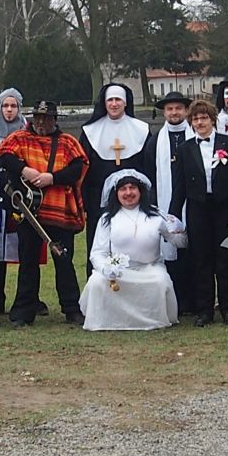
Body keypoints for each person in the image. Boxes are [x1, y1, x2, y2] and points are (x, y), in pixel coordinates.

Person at [0, 100, 89, 327]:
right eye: (37, 117)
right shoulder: (20, 138)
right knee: (28, 261)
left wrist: (52, 178)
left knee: (63, 260)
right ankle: (23, 312)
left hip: (59, 210)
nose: (41, 122)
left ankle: (72, 308)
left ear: (55, 120)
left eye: (46, 118)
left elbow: (78, 168)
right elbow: (2, 156)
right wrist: (24, 169)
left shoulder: (68, 142)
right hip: (30, 211)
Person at [168, 100, 228, 326]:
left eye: (204, 118)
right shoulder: (185, 149)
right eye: (195, 119)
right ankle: (204, 310)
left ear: (213, 120)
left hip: (224, 207)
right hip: (198, 208)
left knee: (225, 260)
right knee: (201, 260)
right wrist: (174, 215)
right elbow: (179, 185)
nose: (200, 122)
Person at [79, 169, 182, 330]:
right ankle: (107, 320)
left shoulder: (156, 215)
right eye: (123, 189)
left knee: (160, 281)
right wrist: (106, 269)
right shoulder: (107, 219)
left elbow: (180, 242)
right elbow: (97, 253)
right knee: (96, 282)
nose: (128, 193)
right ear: (116, 193)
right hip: (119, 272)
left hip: (149, 269)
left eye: (132, 188)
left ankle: (153, 320)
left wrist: (179, 229)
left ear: (140, 191)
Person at [79, 83, 154, 277]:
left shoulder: (141, 130)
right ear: (104, 103)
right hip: (98, 201)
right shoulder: (90, 132)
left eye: (118, 100)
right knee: (99, 245)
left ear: (125, 102)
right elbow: (83, 171)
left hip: (134, 198)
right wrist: (85, 203)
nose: (114, 104)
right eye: (110, 100)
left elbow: (148, 167)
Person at [0, 87, 27, 315]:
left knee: (25, 249)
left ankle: (27, 299)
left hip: (22, 198)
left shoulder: (27, 133)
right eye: (5, 106)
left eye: (13, 106)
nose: (9, 110)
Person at [152, 91, 195, 313]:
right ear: (164, 112)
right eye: (170, 109)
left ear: (186, 111)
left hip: (194, 204)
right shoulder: (155, 141)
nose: (174, 112)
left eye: (178, 108)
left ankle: (195, 301)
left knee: (194, 253)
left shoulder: (196, 137)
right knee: (171, 253)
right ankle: (176, 302)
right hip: (165, 202)